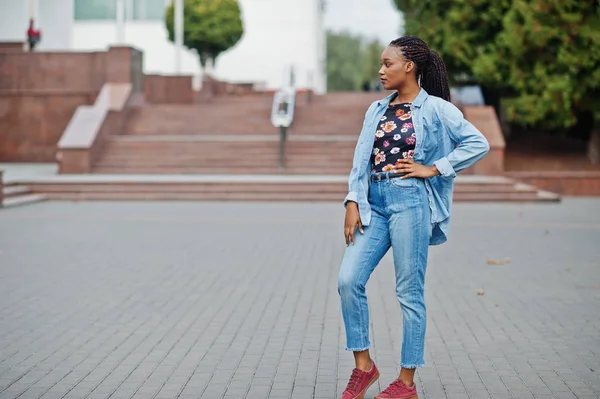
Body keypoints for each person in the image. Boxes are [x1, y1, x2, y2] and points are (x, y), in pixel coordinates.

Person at [338, 36, 490, 399]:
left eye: (387, 63)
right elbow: (362, 159)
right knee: (348, 280)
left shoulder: (436, 109)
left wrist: (434, 168)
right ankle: (364, 367)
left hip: (411, 204)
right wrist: (352, 201)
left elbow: (477, 143)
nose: (380, 70)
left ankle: (406, 383)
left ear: (410, 66)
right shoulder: (376, 109)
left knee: (409, 292)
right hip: (374, 203)